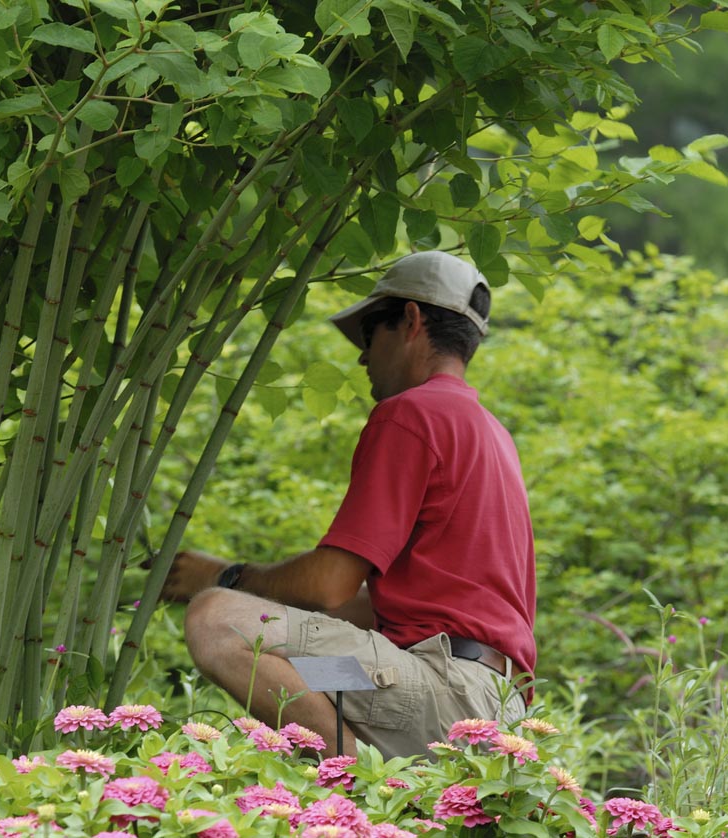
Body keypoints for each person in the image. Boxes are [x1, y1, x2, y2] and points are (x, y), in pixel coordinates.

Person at [158, 251, 536, 759]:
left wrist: (225, 577)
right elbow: (375, 608)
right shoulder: (491, 434)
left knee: (216, 619)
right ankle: (381, 787)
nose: (362, 356)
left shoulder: (411, 414)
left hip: (440, 693)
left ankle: (359, 787)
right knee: (291, 670)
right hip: (490, 704)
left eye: (368, 334)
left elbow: (330, 586)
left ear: (410, 320)